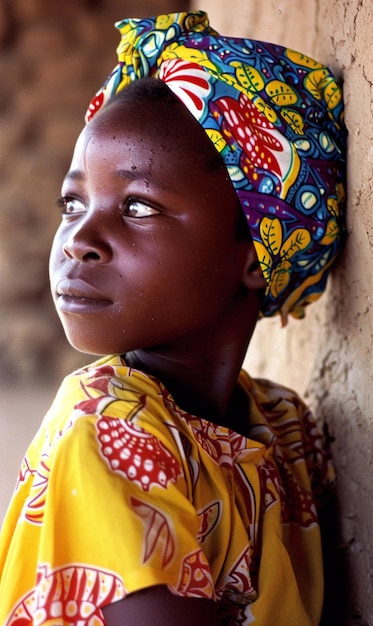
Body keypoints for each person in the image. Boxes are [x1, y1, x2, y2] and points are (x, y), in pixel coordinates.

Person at [0, 10, 347, 626]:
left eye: (137, 205)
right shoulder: (105, 428)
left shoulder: (285, 429)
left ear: (255, 251)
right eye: (72, 202)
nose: (81, 238)